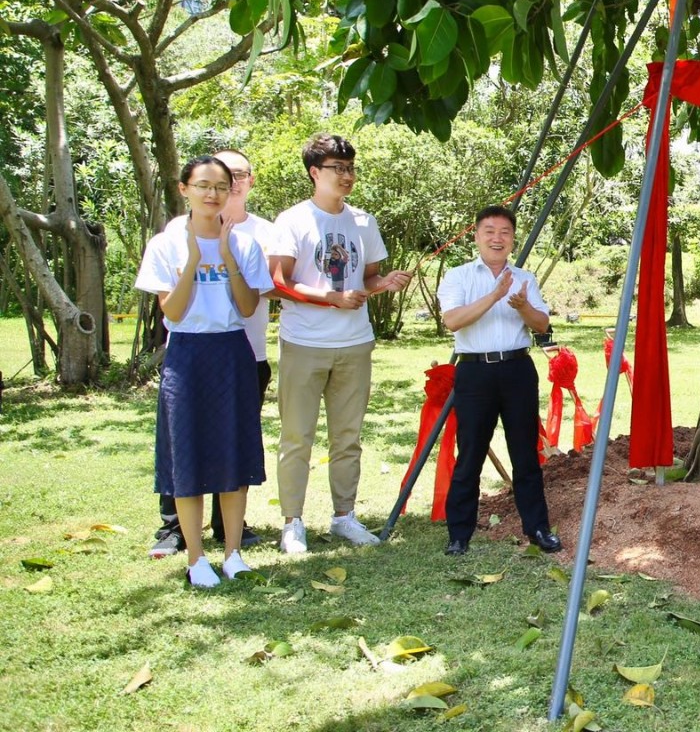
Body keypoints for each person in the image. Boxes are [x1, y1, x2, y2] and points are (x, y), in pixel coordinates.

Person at [135, 156, 275, 586]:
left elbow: (250, 307)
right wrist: (195, 260)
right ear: (184, 189)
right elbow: (171, 312)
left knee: (234, 452)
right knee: (188, 455)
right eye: (202, 185)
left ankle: (232, 552)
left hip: (233, 350)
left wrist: (228, 257)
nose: (212, 194)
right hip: (187, 355)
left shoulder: (245, 243)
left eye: (221, 185)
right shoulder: (166, 244)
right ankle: (197, 558)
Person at [269, 134, 411, 553]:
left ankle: (344, 517)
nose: (346, 176)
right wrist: (329, 298)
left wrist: (382, 285)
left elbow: (365, 279)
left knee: (347, 436)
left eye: (350, 168)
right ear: (315, 172)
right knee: (297, 435)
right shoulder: (292, 220)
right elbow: (279, 282)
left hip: (355, 343)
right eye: (337, 168)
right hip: (303, 342)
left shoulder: (363, 222)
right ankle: (292, 522)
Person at [437, 206, 562, 556]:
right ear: (476, 235)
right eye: (489, 231)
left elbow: (541, 326)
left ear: (512, 238)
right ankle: (459, 534)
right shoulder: (458, 276)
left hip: (517, 369)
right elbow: (454, 321)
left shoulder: (525, 277)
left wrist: (522, 305)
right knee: (471, 452)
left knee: (525, 453)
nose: (497, 238)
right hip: (475, 371)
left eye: (504, 232)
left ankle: (537, 528)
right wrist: (494, 295)